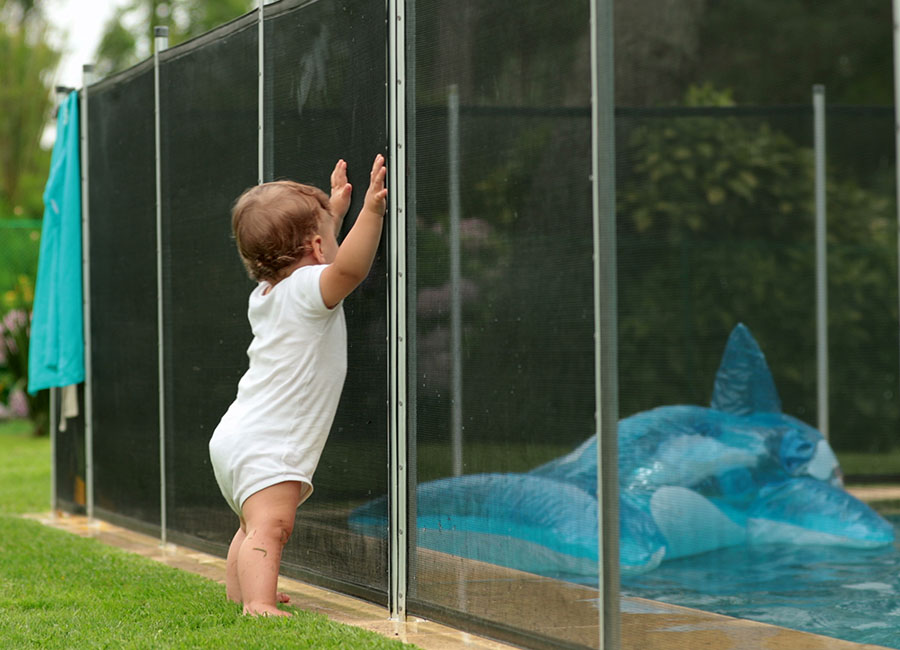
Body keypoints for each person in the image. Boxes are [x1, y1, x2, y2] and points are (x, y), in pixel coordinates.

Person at [208, 154, 387, 617]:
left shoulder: (267, 295)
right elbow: (348, 269)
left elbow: (324, 254)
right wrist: (370, 213)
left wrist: (333, 217)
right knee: (271, 527)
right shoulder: (310, 289)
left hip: (237, 437)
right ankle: (259, 604)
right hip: (268, 442)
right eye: (329, 234)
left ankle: (243, 591)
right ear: (317, 249)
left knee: (252, 527)